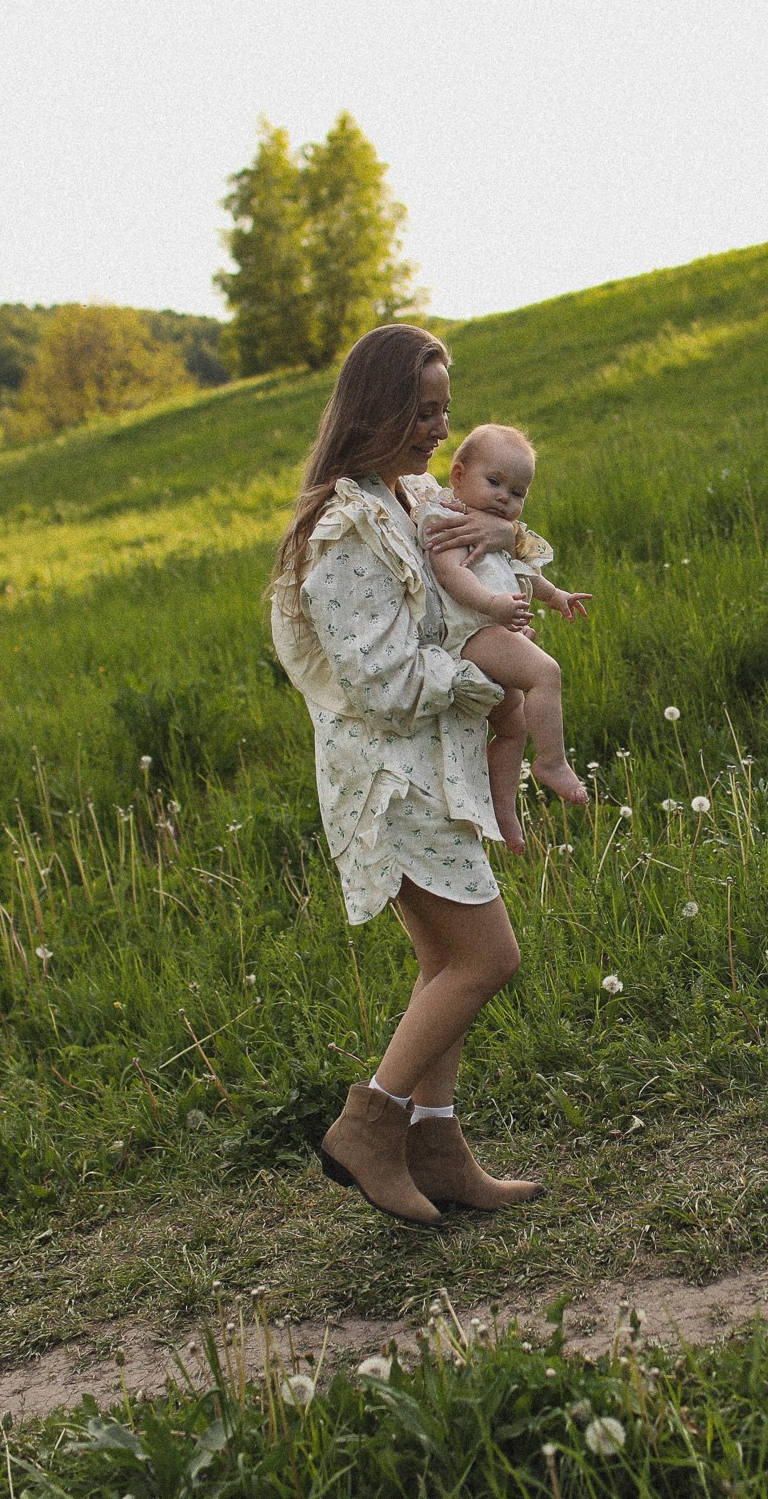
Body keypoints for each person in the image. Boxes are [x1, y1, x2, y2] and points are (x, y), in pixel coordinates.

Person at [267, 324, 543, 1225]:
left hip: (431, 765)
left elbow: (505, 545)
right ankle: (369, 1124)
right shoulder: (345, 530)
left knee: (443, 960)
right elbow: (381, 681)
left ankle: (438, 1141)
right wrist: (487, 681)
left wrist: (502, 526)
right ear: (379, 408)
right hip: (387, 775)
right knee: (486, 956)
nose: (440, 426)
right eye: (422, 409)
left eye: (444, 407)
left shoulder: (411, 496)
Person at [417, 422, 592, 854]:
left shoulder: (500, 530)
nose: (504, 498)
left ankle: (503, 808)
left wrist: (558, 597)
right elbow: (451, 573)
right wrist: (492, 604)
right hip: (476, 633)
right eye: (494, 482)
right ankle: (551, 761)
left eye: (517, 493)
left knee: (512, 728)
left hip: (495, 631)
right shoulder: (447, 518)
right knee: (545, 672)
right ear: (458, 476)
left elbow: (527, 573)